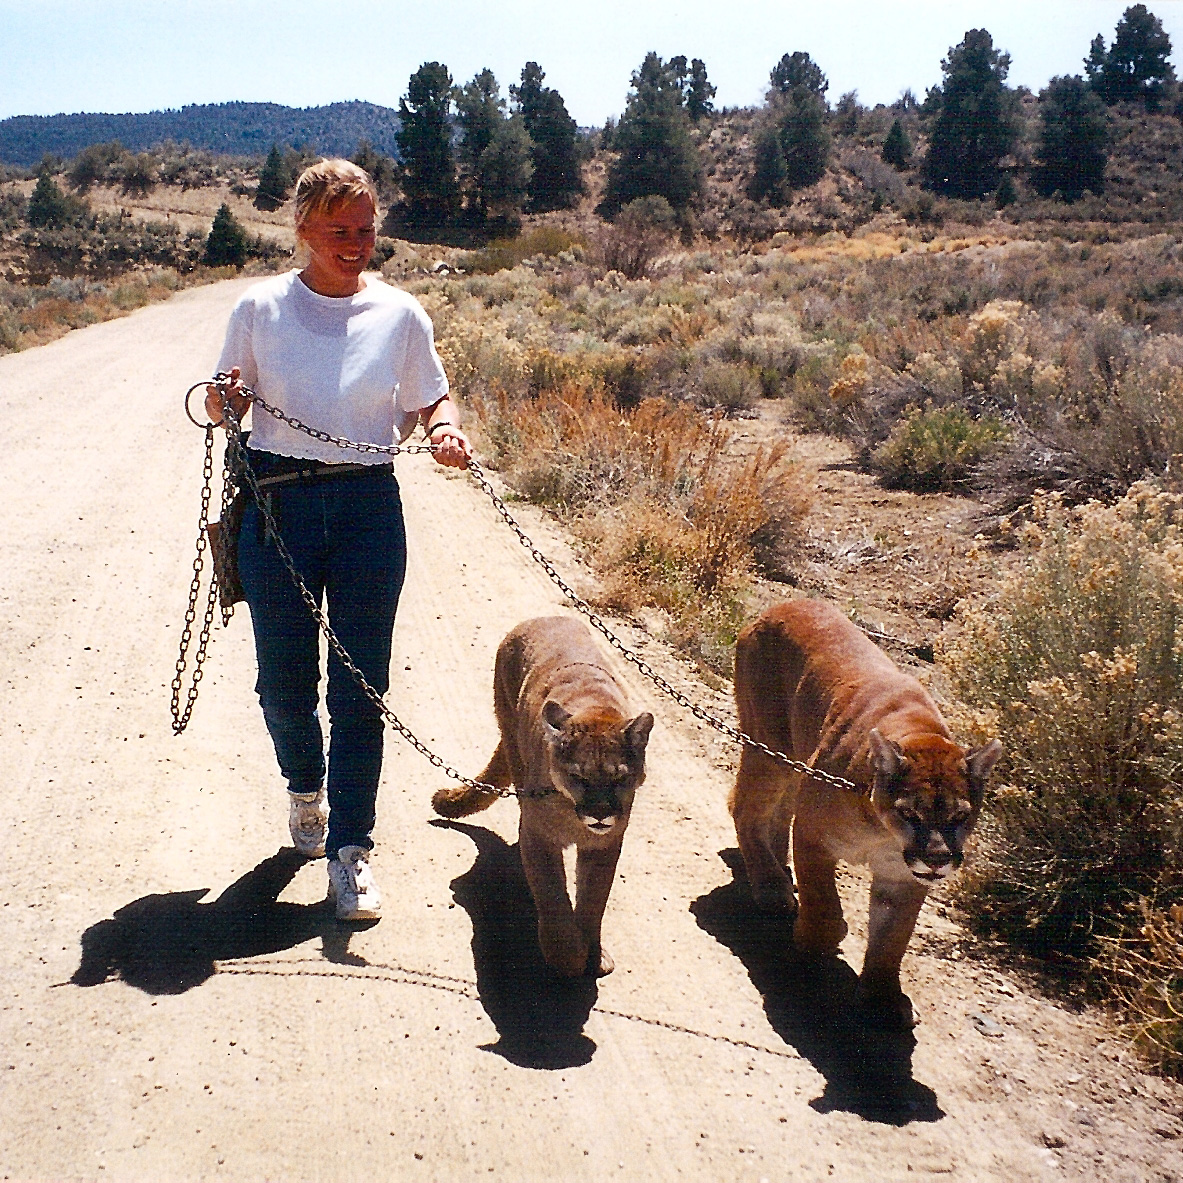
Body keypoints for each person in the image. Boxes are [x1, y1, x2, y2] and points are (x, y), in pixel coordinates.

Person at [205, 159, 471, 921]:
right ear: (303, 230)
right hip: (277, 506)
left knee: (360, 689)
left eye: (364, 230)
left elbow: (431, 394)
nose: (355, 244)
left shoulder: (401, 315)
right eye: (338, 232)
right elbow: (227, 402)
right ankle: (305, 789)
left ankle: (351, 848)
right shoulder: (260, 308)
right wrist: (226, 400)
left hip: (366, 511)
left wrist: (444, 426)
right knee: (283, 689)